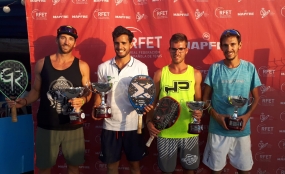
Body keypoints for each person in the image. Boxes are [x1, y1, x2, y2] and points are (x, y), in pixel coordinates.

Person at [6, 25, 91, 174]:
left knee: (73, 167)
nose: (66, 42)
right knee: (44, 167)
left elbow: (88, 92)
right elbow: (36, 91)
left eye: (70, 39)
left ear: (75, 43)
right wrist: (24, 101)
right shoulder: (41, 64)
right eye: (63, 38)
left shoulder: (83, 66)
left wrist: (83, 100)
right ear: (57, 40)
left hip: (73, 125)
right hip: (47, 125)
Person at [202, 29, 261, 174]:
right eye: (225, 45)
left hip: (241, 131)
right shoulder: (215, 69)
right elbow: (205, 99)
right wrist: (217, 116)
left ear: (240, 45)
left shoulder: (249, 68)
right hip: (217, 130)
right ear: (221, 47)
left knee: (244, 171)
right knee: (216, 171)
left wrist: (246, 117)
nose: (229, 49)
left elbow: (256, 97)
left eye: (233, 44)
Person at [92, 26, 148, 174]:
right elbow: (100, 93)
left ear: (131, 44)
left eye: (124, 43)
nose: (120, 47)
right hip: (110, 125)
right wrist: (96, 105)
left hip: (133, 125)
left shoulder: (141, 68)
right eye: (117, 43)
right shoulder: (103, 67)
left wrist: (146, 106)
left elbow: (145, 96)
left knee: (135, 167)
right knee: (111, 167)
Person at [146, 33, 203, 174]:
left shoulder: (195, 74)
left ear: (187, 50)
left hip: (189, 131)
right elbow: (153, 103)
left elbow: (199, 103)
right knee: (166, 171)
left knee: (190, 170)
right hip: (165, 132)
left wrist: (199, 113)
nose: (177, 52)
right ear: (169, 49)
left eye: (181, 49)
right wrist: (148, 122)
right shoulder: (160, 73)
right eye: (174, 49)